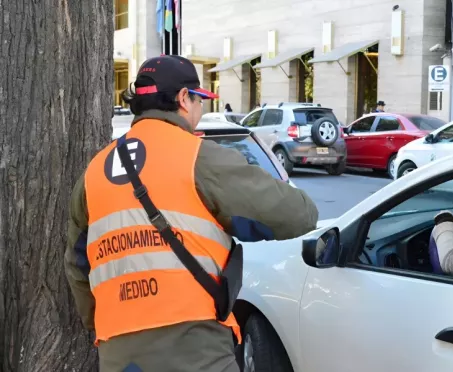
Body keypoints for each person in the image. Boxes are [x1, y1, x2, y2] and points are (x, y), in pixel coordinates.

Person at [65, 55, 319, 372]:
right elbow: (298, 215)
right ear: (184, 99)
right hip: (193, 346)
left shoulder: (94, 173)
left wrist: (104, 319)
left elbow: (77, 264)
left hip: (118, 350)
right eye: (199, 99)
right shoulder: (198, 156)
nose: (201, 108)